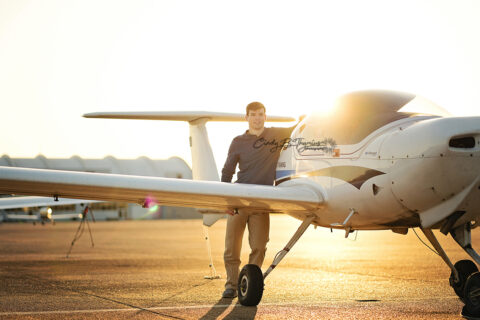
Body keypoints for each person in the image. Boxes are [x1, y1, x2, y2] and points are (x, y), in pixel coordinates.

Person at [220, 101, 294, 298]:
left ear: (265, 116)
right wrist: (226, 200)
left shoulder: (275, 135)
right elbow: (227, 171)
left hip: (262, 201)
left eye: (260, 114)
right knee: (232, 246)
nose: (257, 118)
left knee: (260, 246)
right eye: (253, 114)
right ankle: (231, 285)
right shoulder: (237, 141)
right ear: (247, 117)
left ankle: (249, 281)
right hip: (239, 199)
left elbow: (298, 127)